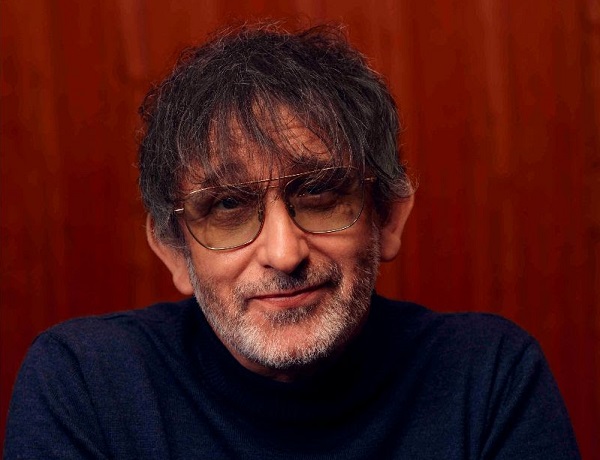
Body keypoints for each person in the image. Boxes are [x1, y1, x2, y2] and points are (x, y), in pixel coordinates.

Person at [4, 24, 580, 459]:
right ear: (174, 251)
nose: (284, 253)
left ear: (388, 218)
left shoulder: (491, 377)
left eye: (321, 194)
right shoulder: (85, 384)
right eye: (227, 206)